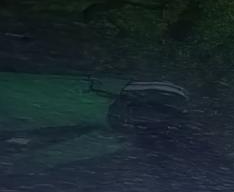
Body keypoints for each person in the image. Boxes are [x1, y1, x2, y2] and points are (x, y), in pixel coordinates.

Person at [0, 71, 188, 173]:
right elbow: (47, 157)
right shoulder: (112, 135)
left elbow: (48, 156)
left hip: (84, 101)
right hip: (84, 100)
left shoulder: (110, 137)